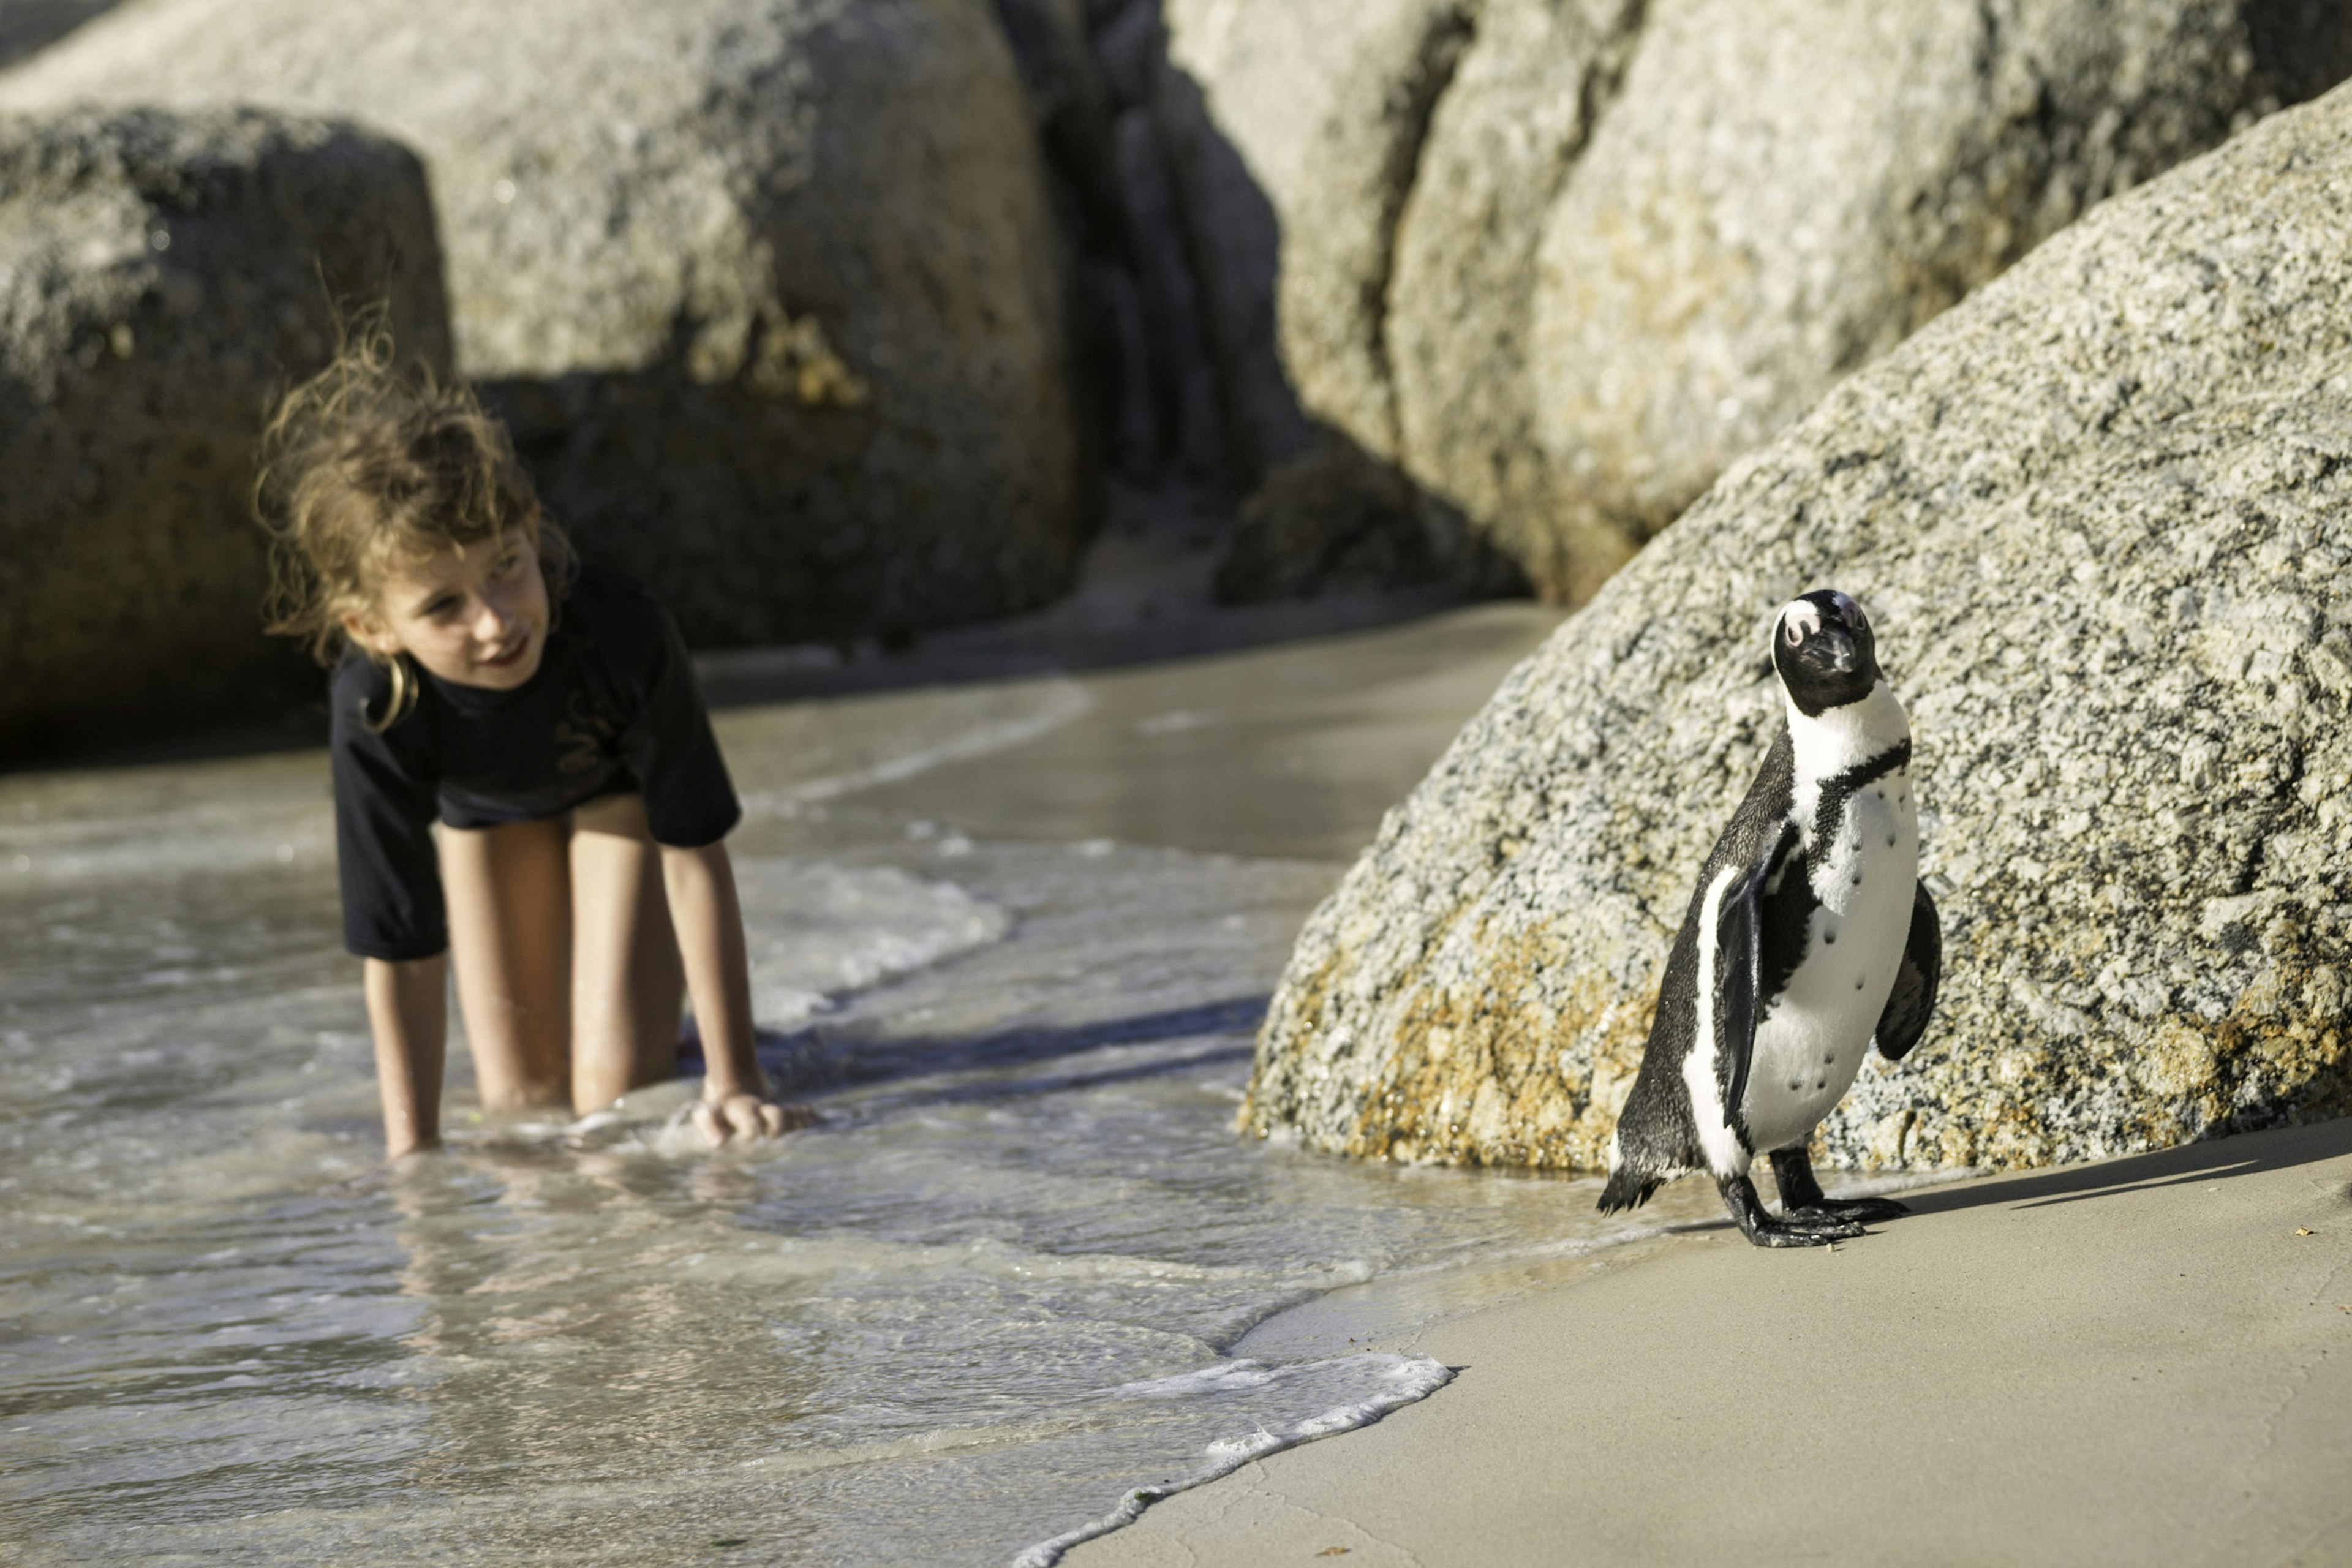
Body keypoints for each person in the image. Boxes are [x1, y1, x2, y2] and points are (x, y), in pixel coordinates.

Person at [256, 328, 805, 1156]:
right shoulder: (374, 705)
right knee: (522, 1108)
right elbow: (402, 953)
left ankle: (723, 1050)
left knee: (610, 1096)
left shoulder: (626, 633)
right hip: (488, 816)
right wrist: (415, 1159)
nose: (497, 620)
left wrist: (736, 1081)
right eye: (443, 606)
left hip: (617, 802)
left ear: (531, 523)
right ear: (372, 627)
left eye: (506, 565)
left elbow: (694, 855)